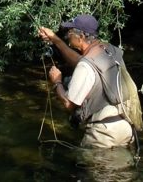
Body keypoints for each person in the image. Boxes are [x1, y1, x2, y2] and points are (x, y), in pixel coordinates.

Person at [38, 14, 135, 148]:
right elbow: (82, 62)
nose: (67, 35)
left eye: (70, 32)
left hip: (103, 135)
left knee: (92, 168)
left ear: (81, 37)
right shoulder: (109, 50)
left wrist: (57, 82)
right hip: (125, 127)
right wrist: (55, 40)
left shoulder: (85, 66)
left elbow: (68, 104)